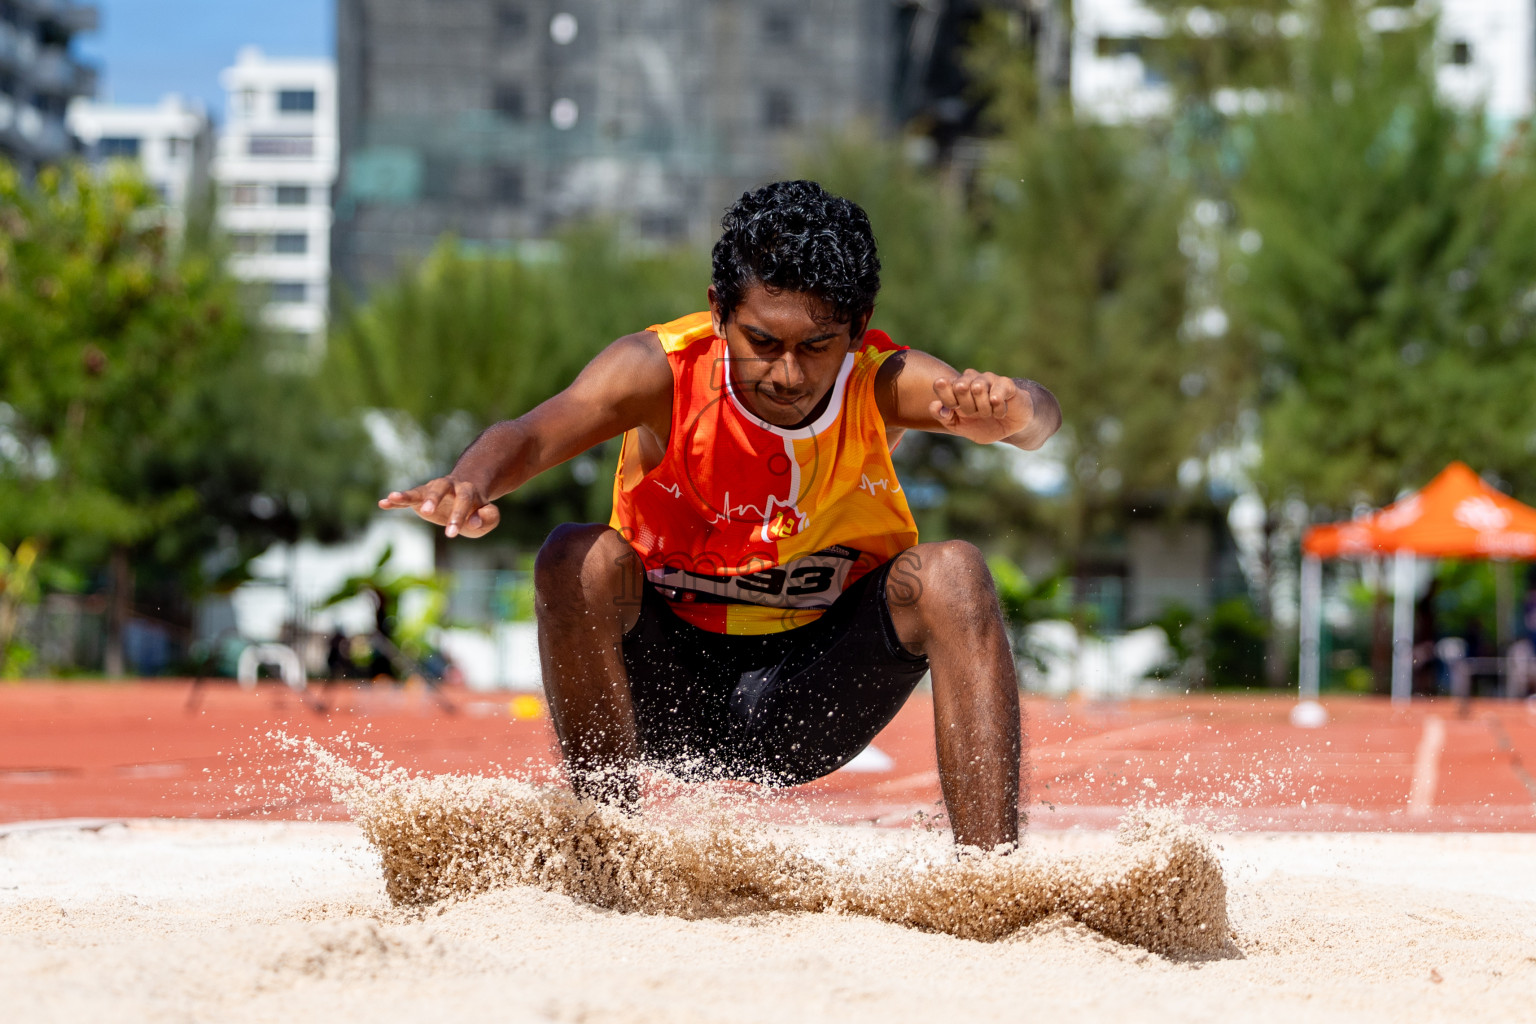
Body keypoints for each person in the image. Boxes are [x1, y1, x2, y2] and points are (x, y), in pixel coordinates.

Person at [380, 181, 1062, 850]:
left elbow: (1037, 427)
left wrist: (1016, 410)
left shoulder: (880, 379)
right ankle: (605, 853)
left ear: (857, 327)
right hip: (670, 688)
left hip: (812, 696)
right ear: (718, 311)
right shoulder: (657, 371)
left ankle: (991, 878)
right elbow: (530, 434)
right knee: (573, 555)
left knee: (953, 575)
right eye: (763, 341)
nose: (788, 375)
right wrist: (470, 483)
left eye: (817, 346)